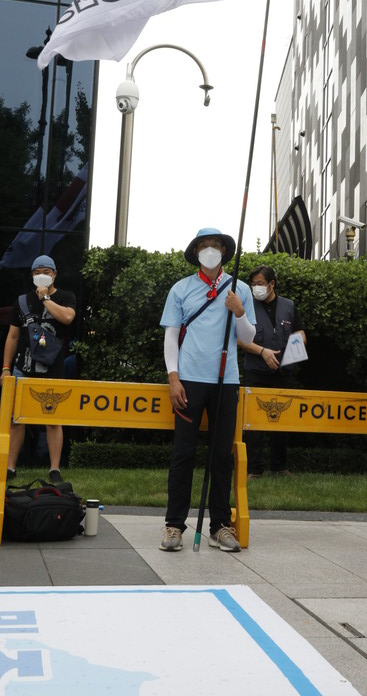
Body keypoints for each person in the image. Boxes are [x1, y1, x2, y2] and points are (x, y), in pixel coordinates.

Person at [159, 227, 256, 553]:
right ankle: (174, 525)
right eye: (204, 246)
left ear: (224, 252)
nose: (210, 250)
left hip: (226, 380)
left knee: (220, 456)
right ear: (197, 252)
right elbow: (171, 336)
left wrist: (239, 312)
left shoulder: (239, 288)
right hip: (188, 380)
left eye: (216, 245)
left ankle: (219, 526)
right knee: (183, 453)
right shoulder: (181, 288)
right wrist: (173, 377)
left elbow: (249, 336)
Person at [0, 254, 76, 484]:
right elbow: (12, 337)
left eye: (45, 271)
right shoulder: (22, 302)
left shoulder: (66, 297)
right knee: (16, 420)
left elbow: (67, 318)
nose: (40, 275)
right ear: (31, 274)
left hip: (51, 370)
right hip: (22, 368)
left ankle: (54, 469)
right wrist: (6, 368)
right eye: (36, 272)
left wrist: (45, 300)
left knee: (53, 420)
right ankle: (11, 467)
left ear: (54, 274)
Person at [238, 265, 306, 479]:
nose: (255, 288)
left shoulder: (289, 306)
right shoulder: (247, 306)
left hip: (283, 373)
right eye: (253, 284)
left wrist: (299, 342)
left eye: (260, 284)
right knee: (253, 424)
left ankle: (279, 467)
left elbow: (300, 331)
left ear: (271, 284)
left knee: (282, 423)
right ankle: (254, 469)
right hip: (256, 372)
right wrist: (263, 352)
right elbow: (240, 339)